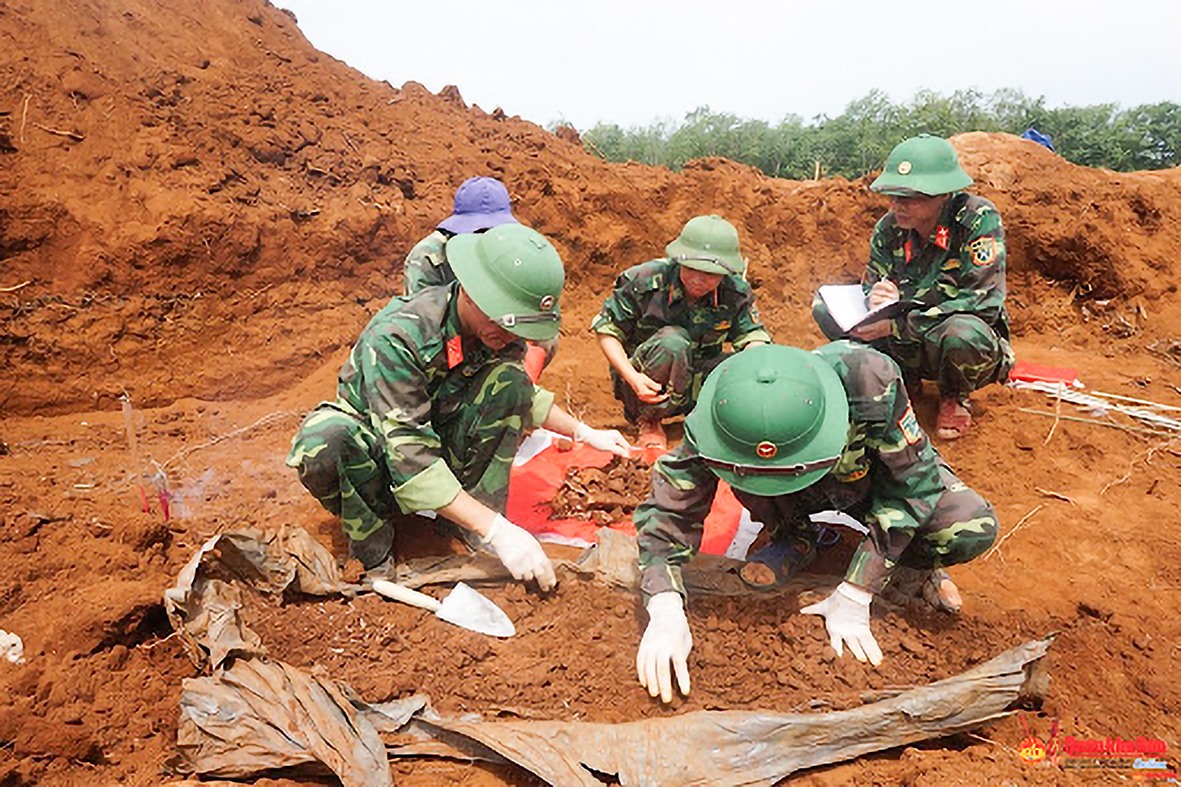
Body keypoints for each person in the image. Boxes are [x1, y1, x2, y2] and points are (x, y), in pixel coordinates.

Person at [633, 343, 998, 703]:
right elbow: (671, 509)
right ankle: (795, 535)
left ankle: (910, 567)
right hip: (795, 498)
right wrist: (664, 605)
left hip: (873, 480)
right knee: (761, 482)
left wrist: (859, 590)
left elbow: (914, 484)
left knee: (966, 524)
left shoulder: (869, 380)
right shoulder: (724, 412)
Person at [288, 225, 631, 590]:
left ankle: (467, 521)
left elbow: (523, 397)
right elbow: (409, 455)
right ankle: (374, 545)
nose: (510, 335)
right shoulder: (398, 336)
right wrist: (500, 531)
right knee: (325, 438)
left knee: (510, 382)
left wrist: (584, 433)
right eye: (503, 320)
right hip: (379, 455)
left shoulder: (497, 330)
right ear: (469, 291)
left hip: (436, 436)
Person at [812, 134, 1014, 439]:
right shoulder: (889, 228)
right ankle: (900, 379)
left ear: (943, 194)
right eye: (894, 196)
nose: (898, 206)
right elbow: (871, 283)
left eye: (910, 197)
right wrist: (875, 299)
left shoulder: (976, 220)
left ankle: (954, 395)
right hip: (904, 337)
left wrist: (898, 323)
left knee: (963, 334)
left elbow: (983, 301)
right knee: (824, 309)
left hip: (951, 340)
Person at [591, 215, 771, 451]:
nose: (698, 279)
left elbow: (753, 338)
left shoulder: (735, 292)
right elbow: (607, 330)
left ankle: (718, 419)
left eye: (710, 274)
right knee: (673, 342)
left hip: (697, 379)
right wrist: (632, 378)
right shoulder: (644, 280)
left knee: (750, 363)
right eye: (691, 269)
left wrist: (755, 367)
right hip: (645, 383)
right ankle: (649, 420)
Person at [402, 176, 518, 295]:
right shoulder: (428, 257)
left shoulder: (517, 251)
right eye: (478, 231)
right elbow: (417, 309)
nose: (483, 236)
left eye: (491, 230)